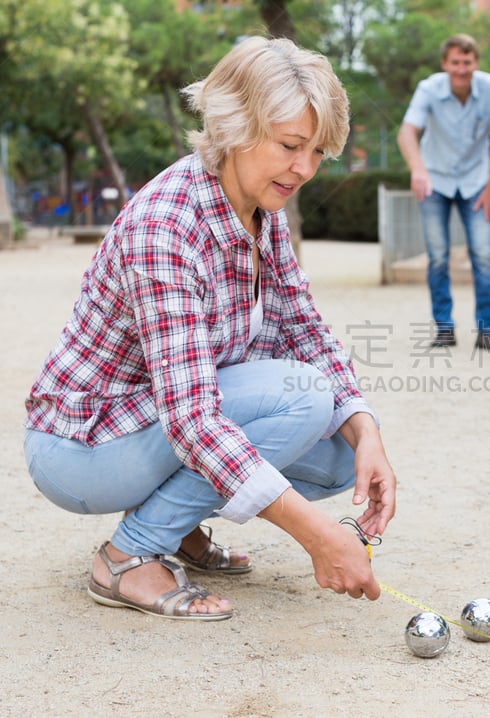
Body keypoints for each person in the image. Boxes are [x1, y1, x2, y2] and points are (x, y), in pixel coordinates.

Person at [23, 37, 396, 622]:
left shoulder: (260, 211)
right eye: (291, 146)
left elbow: (306, 329)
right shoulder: (167, 226)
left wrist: (367, 430)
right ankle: (129, 555)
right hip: (83, 448)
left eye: (318, 151)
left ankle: (175, 525)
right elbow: (192, 418)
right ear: (236, 126)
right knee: (303, 399)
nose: (305, 169)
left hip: (159, 423)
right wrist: (318, 534)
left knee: (343, 454)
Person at [397, 33, 490, 352]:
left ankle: (486, 330)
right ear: (445, 63)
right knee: (437, 256)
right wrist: (417, 169)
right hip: (435, 180)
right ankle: (444, 328)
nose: (461, 69)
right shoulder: (429, 89)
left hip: (476, 182)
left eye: (468, 62)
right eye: (455, 62)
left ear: (476, 62)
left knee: (484, 256)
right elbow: (407, 132)